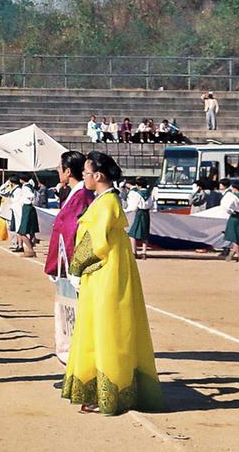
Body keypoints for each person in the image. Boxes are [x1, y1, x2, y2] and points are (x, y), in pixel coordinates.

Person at [62, 151, 163, 415]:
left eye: (86, 172)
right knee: (105, 328)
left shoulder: (106, 203)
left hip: (105, 274)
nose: (84, 176)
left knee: (106, 329)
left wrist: (75, 266)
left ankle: (109, 393)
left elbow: (95, 243)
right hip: (104, 272)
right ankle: (106, 390)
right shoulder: (105, 201)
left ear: (97, 175)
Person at [44, 151, 95, 277]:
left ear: (68, 171)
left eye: (59, 167)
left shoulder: (80, 196)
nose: (58, 170)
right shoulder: (78, 193)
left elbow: (70, 232)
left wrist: (64, 264)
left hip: (72, 259)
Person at [220, 178, 239, 262]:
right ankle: (232, 255)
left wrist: (231, 212)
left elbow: (226, 206)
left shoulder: (232, 196)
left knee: (235, 238)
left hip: (235, 217)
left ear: (234, 188)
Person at [124, 178, 151, 259]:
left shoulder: (137, 194)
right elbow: (152, 204)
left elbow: (133, 207)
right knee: (145, 234)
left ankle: (134, 252)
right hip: (146, 213)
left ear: (138, 185)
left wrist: (125, 210)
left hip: (139, 213)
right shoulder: (150, 193)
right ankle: (144, 252)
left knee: (132, 234)